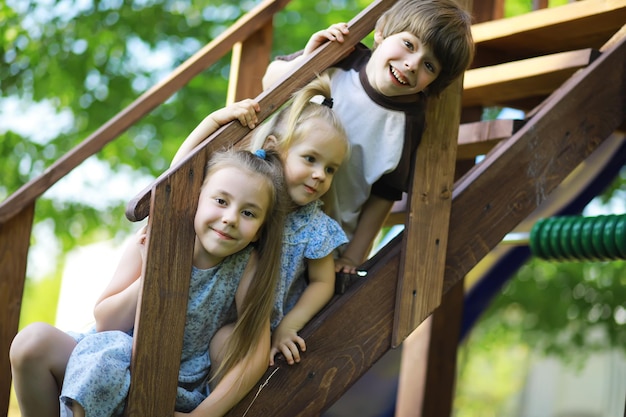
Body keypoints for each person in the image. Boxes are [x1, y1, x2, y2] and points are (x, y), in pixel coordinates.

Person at [10, 115, 288, 416]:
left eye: (248, 213)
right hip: (105, 361)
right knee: (30, 343)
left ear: (259, 230)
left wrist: (204, 415)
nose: (231, 218)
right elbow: (106, 324)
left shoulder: (245, 266)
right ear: (196, 198)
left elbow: (256, 353)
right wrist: (149, 277)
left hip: (173, 380)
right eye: (221, 201)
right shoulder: (154, 240)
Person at [262, 0, 475, 274]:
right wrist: (307, 62)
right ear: (382, 31)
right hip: (267, 206)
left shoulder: (408, 121)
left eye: (429, 66)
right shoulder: (342, 58)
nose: (411, 64)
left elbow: (384, 195)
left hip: (319, 245)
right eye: (409, 45)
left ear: (433, 83)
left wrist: (353, 257)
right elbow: (269, 83)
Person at [173, 74, 350, 367]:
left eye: (330, 169)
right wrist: (214, 122)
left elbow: (322, 282)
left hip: (249, 332)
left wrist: (289, 326)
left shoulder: (315, 227)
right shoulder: (244, 193)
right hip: (206, 313)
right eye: (310, 159)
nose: (320, 175)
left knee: (226, 344)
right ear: (274, 146)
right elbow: (179, 177)